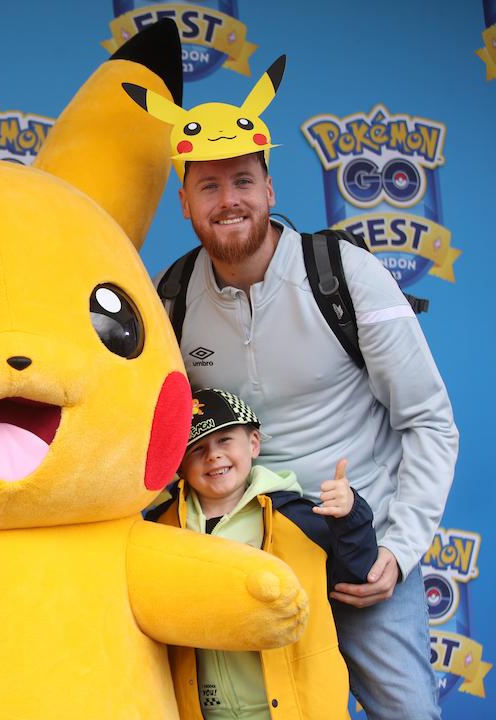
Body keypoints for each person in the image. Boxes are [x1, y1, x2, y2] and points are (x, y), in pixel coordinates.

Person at [125, 55, 458, 718]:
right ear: (185, 202)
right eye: (210, 187)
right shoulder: (169, 299)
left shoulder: (345, 276)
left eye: (243, 180)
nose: (230, 201)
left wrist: (396, 549)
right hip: (245, 562)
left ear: (270, 189)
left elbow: (429, 423)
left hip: (358, 560)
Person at [148, 387, 378, 719]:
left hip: (294, 706)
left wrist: (351, 515)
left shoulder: (296, 517)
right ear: (180, 465)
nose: (213, 455)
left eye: (225, 440)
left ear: (253, 443)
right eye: (197, 448)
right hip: (202, 710)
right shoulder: (161, 528)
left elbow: (356, 574)